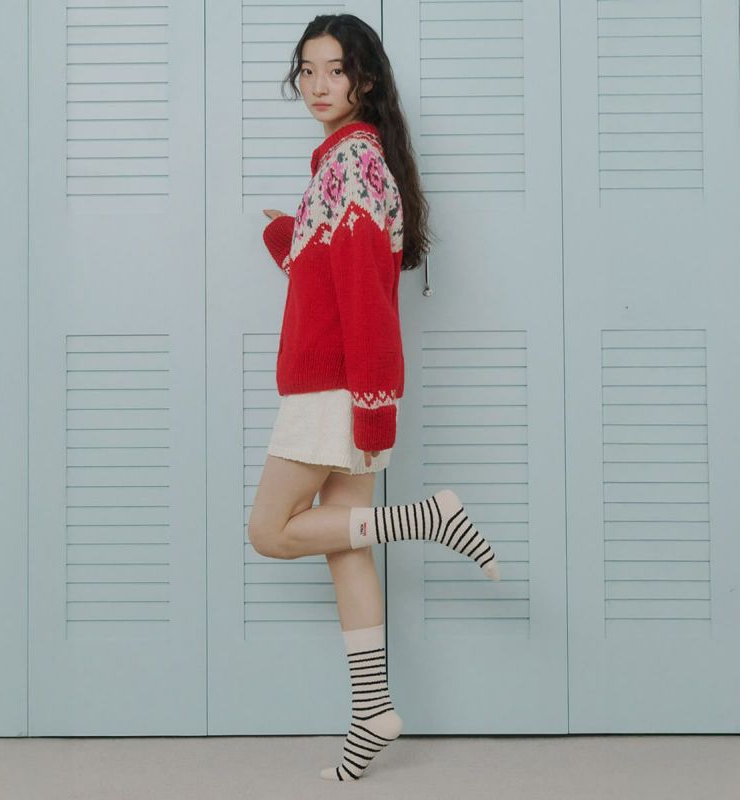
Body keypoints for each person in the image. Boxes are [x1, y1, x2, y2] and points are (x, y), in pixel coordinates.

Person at [248, 13, 501, 781]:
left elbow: (363, 300)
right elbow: (331, 277)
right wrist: (289, 233)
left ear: (365, 79)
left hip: (333, 388)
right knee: (344, 546)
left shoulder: (353, 163)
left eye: (336, 70)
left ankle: (427, 518)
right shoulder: (348, 162)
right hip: (345, 384)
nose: (318, 86)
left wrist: (372, 405)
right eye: (308, 71)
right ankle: (372, 710)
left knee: (270, 531)